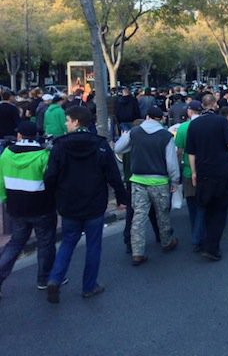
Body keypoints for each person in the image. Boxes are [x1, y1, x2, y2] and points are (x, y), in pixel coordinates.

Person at [44, 106, 127, 303]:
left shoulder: (60, 146)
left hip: (69, 202)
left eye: (67, 120)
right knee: (93, 245)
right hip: (94, 202)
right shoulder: (100, 145)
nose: (66, 124)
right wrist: (121, 198)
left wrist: (52, 197)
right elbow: (113, 175)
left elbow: (50, 176)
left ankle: (55, 278)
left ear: (76, 122)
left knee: (68, 242)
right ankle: (89, 286)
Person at [0, 122, 59, 299]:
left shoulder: (6, 154)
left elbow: (1, 180)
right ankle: (44, 278)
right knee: (45, 243)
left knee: (15, 243)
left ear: (19, 135)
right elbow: (51, 181)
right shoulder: (43, 155)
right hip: (41, 207)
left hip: (16, 207)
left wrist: (5, 199)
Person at [114, 106, 179, 265]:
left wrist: (128, 140)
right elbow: (171, 162)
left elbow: (118, 148)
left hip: (138, 180)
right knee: (162, 214)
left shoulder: (135, 132)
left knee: (138, 216)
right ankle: (166, 241)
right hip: (159, 181)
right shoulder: (166, 136)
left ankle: (137, 252)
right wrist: (174, 180)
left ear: (147, 116)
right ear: (161, 119)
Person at [186, 94, 228, 261]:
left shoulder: (194, 124)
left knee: (206, 207)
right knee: (219, 210)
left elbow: (191, 152)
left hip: (202, 171)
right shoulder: (221, 121)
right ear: (214, 105)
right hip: (220, 170)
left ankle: (205, 241)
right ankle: (212, 247)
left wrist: (194, 172)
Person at [175, 100, 205, 252]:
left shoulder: (183, 127)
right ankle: (200, 235)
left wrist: (177, 167)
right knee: (203, 205)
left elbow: (179, 150)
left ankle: (196, 235)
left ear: (189, 111)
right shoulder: (207, 125)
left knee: (193, 206)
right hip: (205, 169)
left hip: (188, 170)